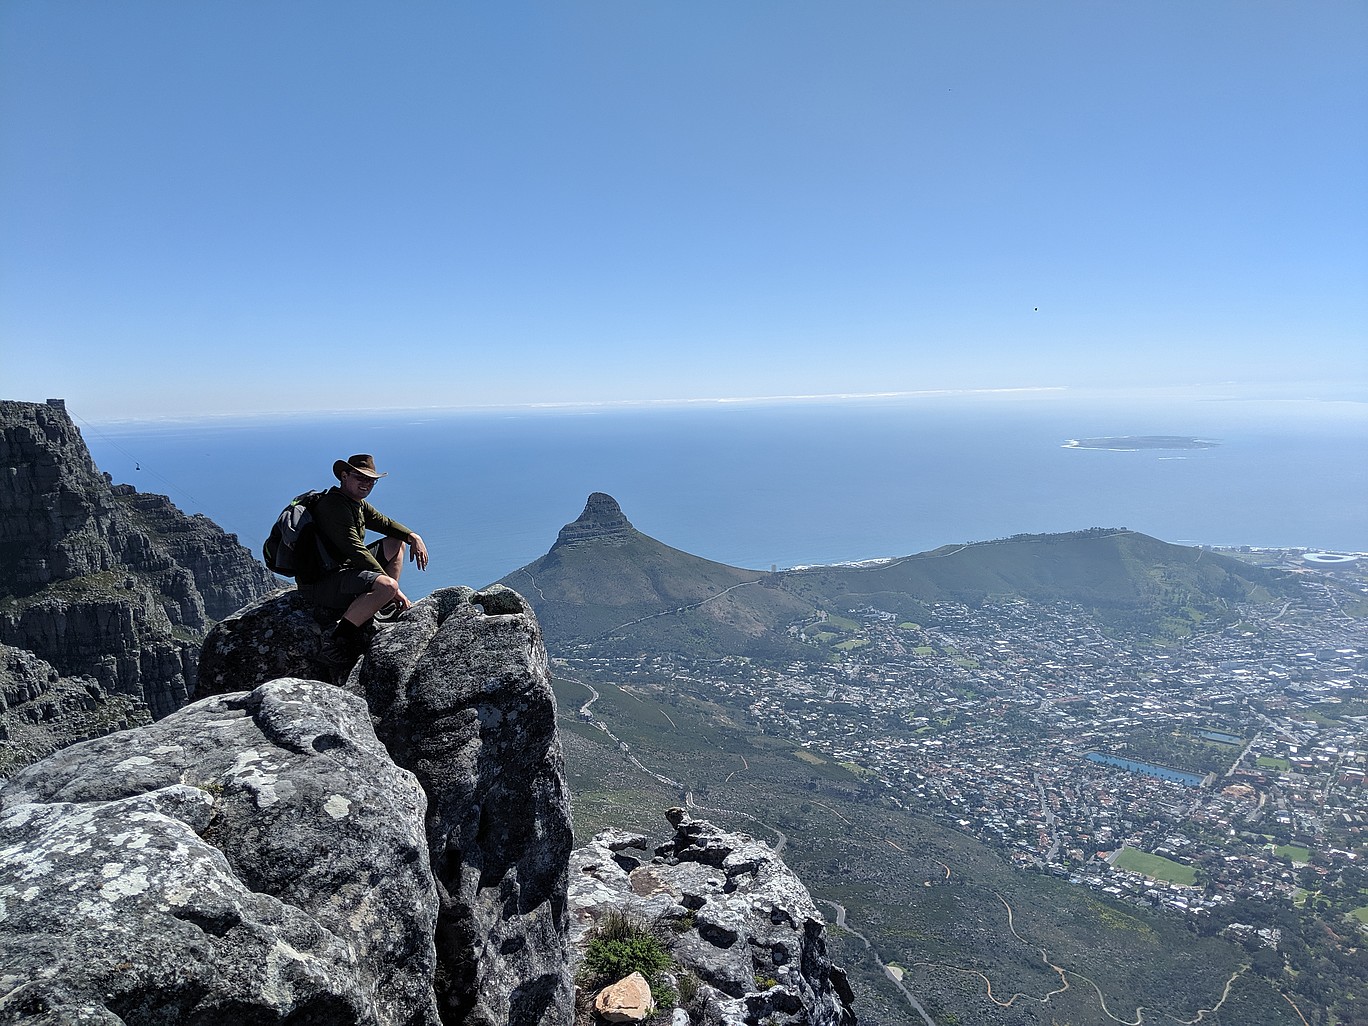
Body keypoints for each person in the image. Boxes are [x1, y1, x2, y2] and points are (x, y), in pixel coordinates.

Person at [296, 453, 429, 674]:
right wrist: (391, 587)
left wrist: (414, 536)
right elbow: (354, 549)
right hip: (321, 583)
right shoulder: (334, 506)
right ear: (344, 475)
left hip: (343, 569)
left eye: (371, 480)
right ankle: (334, 641)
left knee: (397, 542)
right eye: (360, 477)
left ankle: (382, 601)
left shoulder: (355, 504)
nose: (366, 483)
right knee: (387, 586)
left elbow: (385, 524)